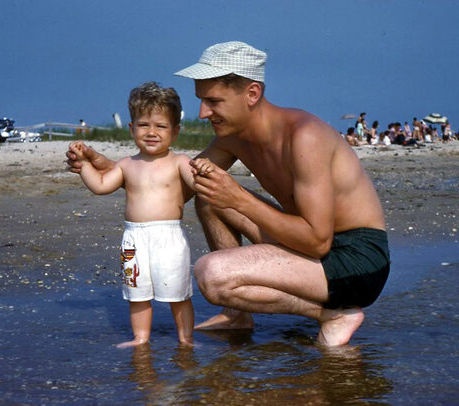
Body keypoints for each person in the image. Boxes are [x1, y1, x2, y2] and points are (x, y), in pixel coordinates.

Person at [68, 41, 390, 347]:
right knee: (209, 190)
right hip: (312, 248)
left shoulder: (305, 137)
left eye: (213, 101)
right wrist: (102, 165)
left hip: (357, 261)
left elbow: (318, 240)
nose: (202, 113)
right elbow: (167, 186)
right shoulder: (231, 138)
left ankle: (332, 314)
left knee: (213, 274)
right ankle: (238, 315)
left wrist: (237, 197)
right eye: (201, 100)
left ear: (251, 93)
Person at [68, 82, 202, 348]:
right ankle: (141, 338)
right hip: (134, 238)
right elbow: (102, 185)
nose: (152, 132)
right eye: (144, 125)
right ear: (132, 129)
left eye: (161, 126)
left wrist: (204, 169)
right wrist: (83, 165)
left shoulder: (180, 162)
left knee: (178, 293)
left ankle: (185, 340)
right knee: (137, 294)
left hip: (169, 236)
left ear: (175, 132)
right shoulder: (127, 164)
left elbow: (198, 184)